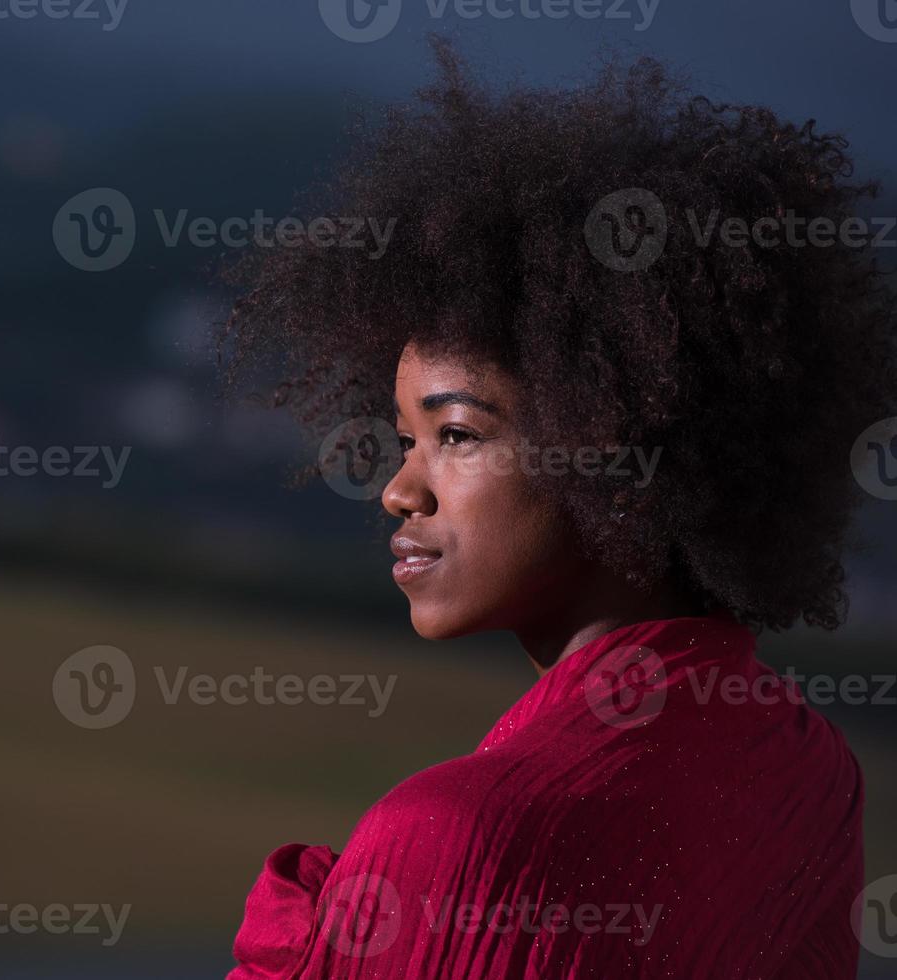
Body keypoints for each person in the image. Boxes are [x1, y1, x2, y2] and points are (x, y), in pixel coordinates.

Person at [219, 39, 896, 979]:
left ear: (616, 448)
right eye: (405, 439)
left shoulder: (454, 837)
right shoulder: (813, 770)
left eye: (455, 435)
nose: (399, 488)